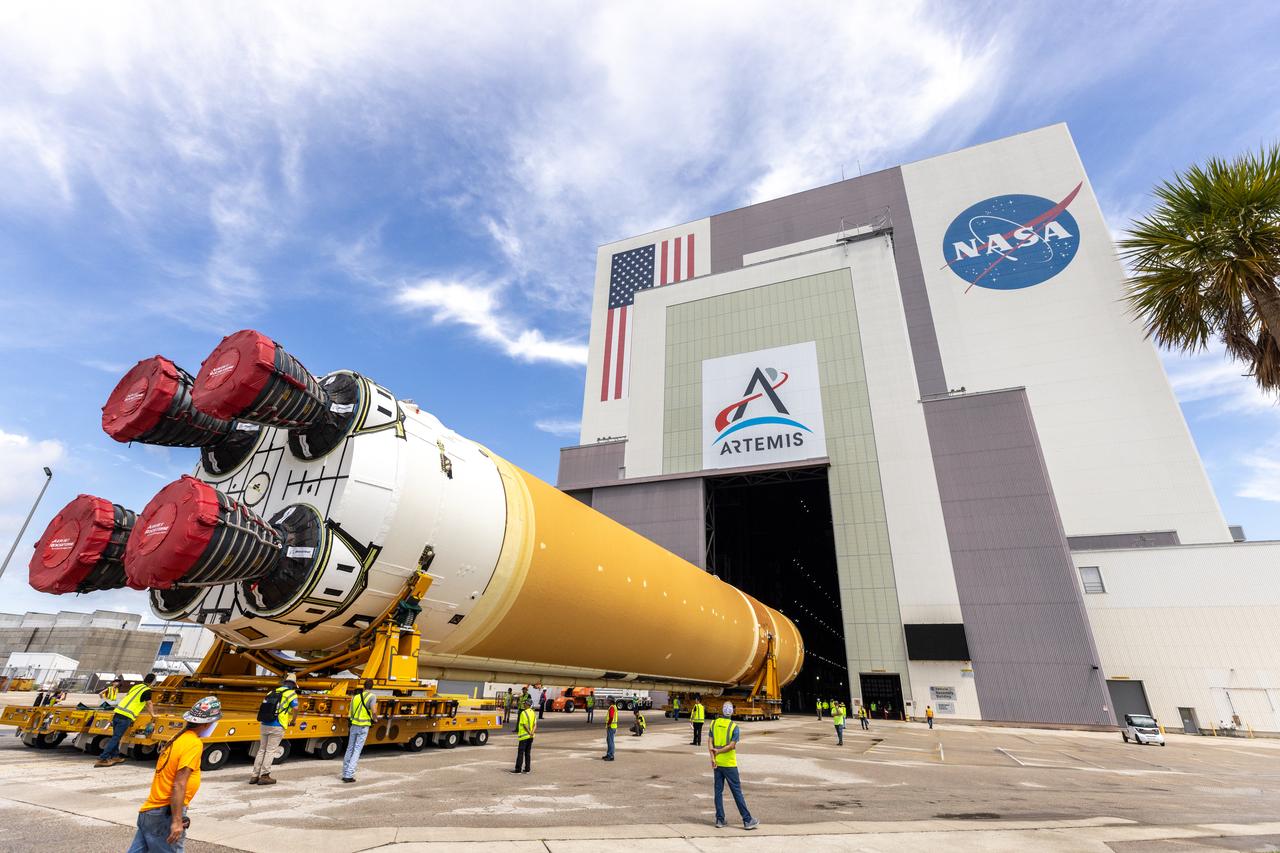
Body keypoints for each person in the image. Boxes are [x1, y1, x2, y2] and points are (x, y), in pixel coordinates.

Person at [128, 695, 221, 853]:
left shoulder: (177, 739)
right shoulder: (193, 744)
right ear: (207, 723)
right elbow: (179, 783)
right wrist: (177, 821)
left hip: (150, 812)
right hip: (164, 814)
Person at [708, 702, 758, 831]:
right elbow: (731, 746)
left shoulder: (713, 723)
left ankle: (720, 819)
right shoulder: (734, 727)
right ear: (732, 712)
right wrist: (719, 752)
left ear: (722, 710)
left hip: (717, 763)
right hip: (729, 764)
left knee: (718, 792)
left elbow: (709, 742)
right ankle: (747, 820)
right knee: (737, 792)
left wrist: (713, 757)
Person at [97, 673, 157, 767]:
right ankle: (103, 758)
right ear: (152, 681)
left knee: (116, 736)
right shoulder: (147, 690)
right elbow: (148, 703)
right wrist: (153, 714)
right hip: (126, 716)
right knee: (116, 738)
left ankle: (115, 756)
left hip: (117, 713)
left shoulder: (136, 687)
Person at [250, 676, 298, 785]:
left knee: (261, 750)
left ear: (284, 682)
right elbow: (295, 708)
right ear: (293, 685)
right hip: (277, 724)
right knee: (270, 750)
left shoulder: (272, 691)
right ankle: (265, 775)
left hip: (265, 723)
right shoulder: (291, 694)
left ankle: (254, 775)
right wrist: (293, 720)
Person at [341, 680, 380, 783]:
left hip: (354, 725)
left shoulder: (356, 697)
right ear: (372, 687)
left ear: (363, 686)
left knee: (350, 748)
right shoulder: (372, 696)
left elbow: (351, 711)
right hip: (363, 727)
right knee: (357, 750)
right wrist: (375, 719)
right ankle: (349, 775)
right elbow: (374, 711)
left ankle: (345, 772)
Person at [512, 697, 536, 773]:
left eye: (525, 704)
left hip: (524, 736)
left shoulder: (523, 713)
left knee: (520, 753)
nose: (524, 705)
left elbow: (525, 725)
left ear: (527, 704)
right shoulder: (533, 712)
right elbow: (535, 724)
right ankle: (527, 769)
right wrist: (532, 732)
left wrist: (529, 732)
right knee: (528, 753)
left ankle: (518, 769)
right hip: (531, 736)